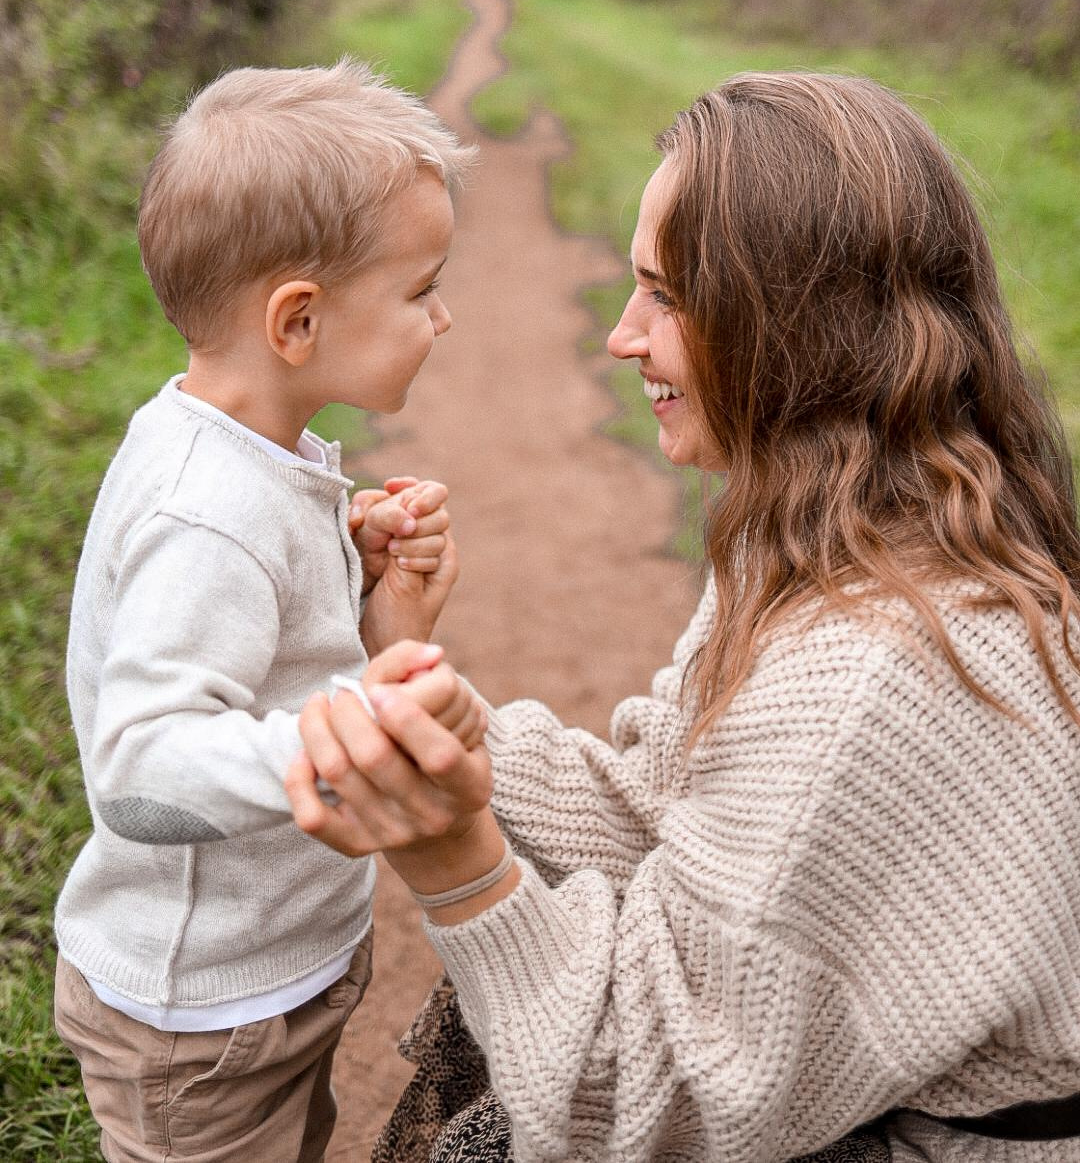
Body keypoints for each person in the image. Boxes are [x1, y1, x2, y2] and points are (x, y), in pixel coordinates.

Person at [288, 71, 1080, 1163]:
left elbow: (650, 1102)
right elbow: (669, 809)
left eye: (666, 296)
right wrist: (437, 705)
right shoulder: (825, 529)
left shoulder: (869, 672)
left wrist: (455, 860)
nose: (622, 337)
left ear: (792, 323)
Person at [53, 62, 488, 1163]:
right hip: (200, 1019)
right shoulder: (210, 515)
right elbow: (142, 770)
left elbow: (264, 654)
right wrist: (332, 745)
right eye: (419, 288)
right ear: (297, 320)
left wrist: (364, 597)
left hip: (271, 973)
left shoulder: (257, 455)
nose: (444, 315)